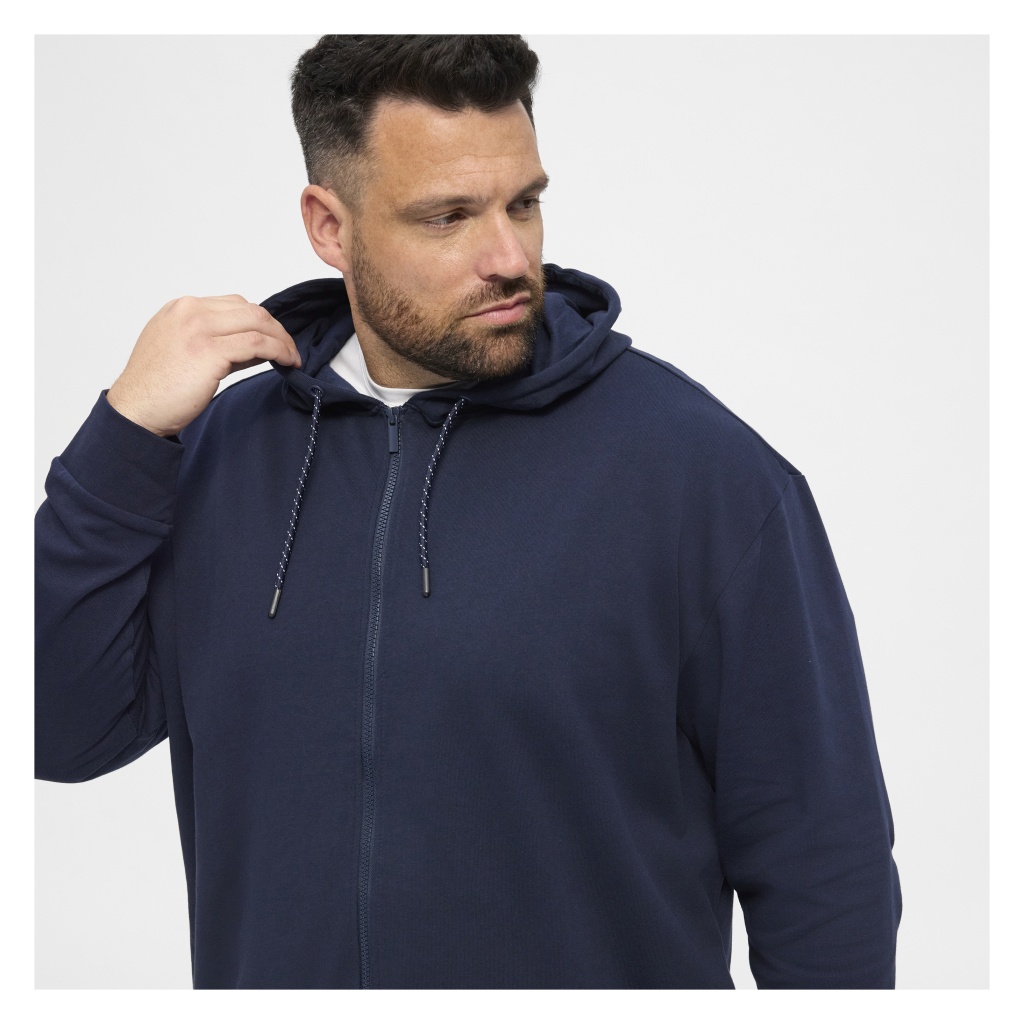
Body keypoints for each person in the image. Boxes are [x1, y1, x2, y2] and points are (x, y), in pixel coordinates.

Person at [34, 34, 902, 989]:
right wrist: (122, 439)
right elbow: (54, 731)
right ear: (330, 227)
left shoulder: (703, 478)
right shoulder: (219, 456)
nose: (509, 257)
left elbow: (826, 872)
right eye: (447, 217)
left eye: (523, 203)